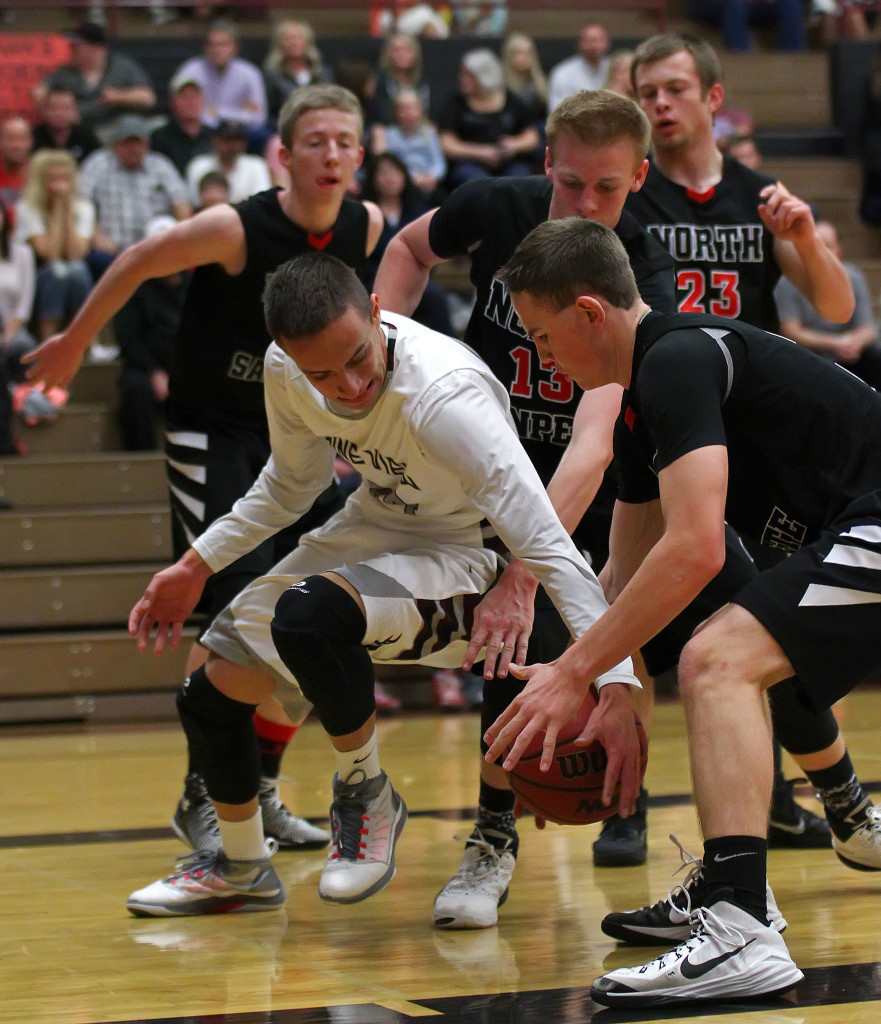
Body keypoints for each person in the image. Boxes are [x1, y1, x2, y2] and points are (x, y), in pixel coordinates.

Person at [124, 250, 640, 917]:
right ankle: (243, 867)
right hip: (377, 519)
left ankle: (367, 793)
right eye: (323, 373)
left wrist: (616, 680)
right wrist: (196, 563)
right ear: (284, 353)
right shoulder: (289, 370)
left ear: (376, 311)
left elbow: (547, 544)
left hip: (467, 555)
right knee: (209, 689)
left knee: (307, 616)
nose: (348, 386)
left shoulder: (444, 396)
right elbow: (293, 483)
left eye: (357, 359)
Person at [485, 215, 881, 1007]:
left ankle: (739, 929)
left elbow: (696, 547)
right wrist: (616, 689)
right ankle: (738, 897)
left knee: (717, 657)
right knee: (722, 646)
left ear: (590, 313)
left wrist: (569, 670)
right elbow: (624, 564)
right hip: (854, 524)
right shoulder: (638, 395)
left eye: (540, 333)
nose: (537, 354)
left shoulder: (675, 359)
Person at [25, 84, 384, 855]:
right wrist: (74, 345)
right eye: (314, 141)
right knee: (234, 607)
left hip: (299, 438)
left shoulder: (366, 226)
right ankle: (203, 796)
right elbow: (134, 261)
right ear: (283, 155)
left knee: (311, 610)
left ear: (361, 154)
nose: (329, 154)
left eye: (343, 142)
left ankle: (256, 788)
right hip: (211, 430)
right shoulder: (235, 227)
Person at [375, 89, 675, 922]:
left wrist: (523, 571)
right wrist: (382, 358)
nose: (585, 205)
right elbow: (406, 245)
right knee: (500, 652)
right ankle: (480, 831)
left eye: (606, 190)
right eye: (571, 183)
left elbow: (595, 439)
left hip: (594, 476)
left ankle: (583, 801)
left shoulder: (640, 269)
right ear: (545, 164)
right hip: (484, 458)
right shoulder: (496, 203)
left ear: (638, 180)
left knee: (605, 626)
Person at [624, 31, 860, 848]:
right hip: (663, 425)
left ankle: (789, 799)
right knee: (658, 615)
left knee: (749, 625)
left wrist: (801, 239)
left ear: (713, 98)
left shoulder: (761, 196)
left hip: (751, 443)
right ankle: (626, 810)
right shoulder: (631, 197)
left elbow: (835, 309)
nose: (659, 104)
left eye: (673, 88)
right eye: (646, 91)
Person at [78, 115, 191, 280]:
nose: (133, 148)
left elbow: (181, 204)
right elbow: (81, 204)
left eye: (138, 143)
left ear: (147, 144)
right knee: (98, 261)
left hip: (154, 247)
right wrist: (96, 236)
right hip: (110, 249)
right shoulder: (98, 163)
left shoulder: (160, 165)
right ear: (115, 145)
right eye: (127, 143)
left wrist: (181, 239)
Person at [775, 219, 881, 387]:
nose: (821, 251)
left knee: (875, 358)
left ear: (838, 251)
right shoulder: (789, 281)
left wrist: (851, 343)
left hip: (847, 354)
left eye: (827, 245)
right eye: (817, 244)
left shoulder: (854, 277)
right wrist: (836, 343)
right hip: (807, 354)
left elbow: (868, 328)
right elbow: (790, 330)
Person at [113, 216, 186, 451]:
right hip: (144, 368)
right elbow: (127, 339)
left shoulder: (196, 285)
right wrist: (154, 372)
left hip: (186, 368)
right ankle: (138, 458)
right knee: (136, 390)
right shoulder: (134, 286)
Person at [361, 151, 451, 336]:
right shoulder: (365, 211)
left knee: (434, 296)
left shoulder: (417, 208)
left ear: (404, 176)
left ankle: (449, 348)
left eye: (394, 172)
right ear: (373, 179)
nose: (390, 178)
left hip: (415, 276)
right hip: (374, 278)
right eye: (384, 173)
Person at [14, 150, 95, 341]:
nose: (60, 186)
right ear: (39, 181)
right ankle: (48, 338)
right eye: (52, 179)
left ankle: (86, 340)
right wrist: (59, 208)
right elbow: (49, 253)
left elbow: (77, 254)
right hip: (35, 277)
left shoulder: (84, 207)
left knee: (77, 270)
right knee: (56, 271)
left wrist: (66, 209)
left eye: (65, 178)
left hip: (72, 275)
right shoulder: (27, 208)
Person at [437, 48, 540, 189]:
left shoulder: (511, 100)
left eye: (469, 75)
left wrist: (514, 145)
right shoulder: (455, 103)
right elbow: (447, 144)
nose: (462, 79)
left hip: (510, 161)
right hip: (470, 162)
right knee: (478, 184)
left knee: (518, 181)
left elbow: (532, 137)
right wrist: (481, 152)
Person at [34, 22, 156, 133]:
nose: (71, 50)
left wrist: (117, 96)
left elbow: (147, 98)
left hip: (114, 127)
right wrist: (61, 111)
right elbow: (39, 92)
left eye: (76, 46)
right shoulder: (66, 72)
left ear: (95, 49)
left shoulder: (122, 66)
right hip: (79, 129)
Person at [171, 19, 268, 134]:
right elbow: (182, 111)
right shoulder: (190, 71)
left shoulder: (250, 73)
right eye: (213, 45)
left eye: (223, 44)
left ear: (235, 47)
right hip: (201, 133)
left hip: (239, 134)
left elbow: (259, 118)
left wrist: (218, 112)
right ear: (206, 48)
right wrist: (239, 112)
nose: (217, 50)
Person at [0, 198, 36, 452]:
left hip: (13, 332)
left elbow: (24, 306)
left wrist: (6, 336)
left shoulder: (22, 253)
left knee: (23, 347)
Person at [371, 90, 446, 202]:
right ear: (395, 112)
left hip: (429, 181)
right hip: (402, 184)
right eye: (403, 109)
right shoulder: (389, 135)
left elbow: (439, 162)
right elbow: (390, 165)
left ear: (420, 110)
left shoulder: (429, 133)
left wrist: (432, 176)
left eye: (412, 108)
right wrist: (413, 178)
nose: (408, 113)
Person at [185, 119, 271, 205]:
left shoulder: (256, 165)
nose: (233, 145)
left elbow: (261, 203)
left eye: (238, 140)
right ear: (215, 141)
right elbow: (195, 203)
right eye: (227, 140)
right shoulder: (199, 165)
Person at [262, 19, 331, 124]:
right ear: (279, 44)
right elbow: (267, 113)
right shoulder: (271, 76)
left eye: (298, 38)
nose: (293, 42)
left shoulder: (322, 73)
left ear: (308, 42)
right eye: (288, 39)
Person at [150, 76, 213, 178]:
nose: (190, 102)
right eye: (184, 97)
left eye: (194, 96)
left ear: (202, 101)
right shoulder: (160, 137)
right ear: (173, 102)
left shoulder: (213, 136)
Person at [688, 0, 807, 51]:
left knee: (790, 3)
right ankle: (741, 55)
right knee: (735, 4)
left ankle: (793, 57)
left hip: (756, 6)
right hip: (715, 5)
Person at [369, 32, 431, 128]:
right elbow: (378, 116)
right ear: (387, 54)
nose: (401, 55)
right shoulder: (379, 82)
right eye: (396, 50)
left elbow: (426, 112)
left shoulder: (421, 82)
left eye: (407, 50)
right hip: (388, 130)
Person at [547, 23, 611, 111]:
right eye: (589, 40)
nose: (594, 46)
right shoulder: (563, 73)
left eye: (598, 40)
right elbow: (557, 111)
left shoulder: (616, 69)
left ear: (607, 42)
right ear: (580, 43)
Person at [31, 86, 101, 165]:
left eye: (65, 108)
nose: (59, 114)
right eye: (54, 108)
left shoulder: (86, 135)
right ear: (44, 110)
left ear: (75, 110)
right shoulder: (35, 137)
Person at [501, 32, 548, 126]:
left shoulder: (540, 83)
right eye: (517, 53)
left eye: (527, 53)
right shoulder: (500, 83)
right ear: (508, 55)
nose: (522, 58)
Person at [0, 117, 33, 219]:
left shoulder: (41, 173)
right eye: (10, 139)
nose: (16, 146)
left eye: (21, 139)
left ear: (30, 142)